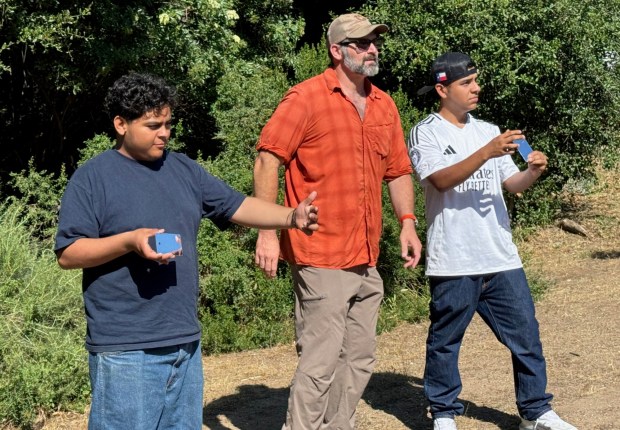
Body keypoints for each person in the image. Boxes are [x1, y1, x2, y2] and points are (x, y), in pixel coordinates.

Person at [54, 72, 319, 430]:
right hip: (125, 350)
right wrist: (129, 242)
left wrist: (291, 216)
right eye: (153, 125)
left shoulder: (184, 169)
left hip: (185, 344)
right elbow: (69, 253)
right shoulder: (93, 177)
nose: (164, 133)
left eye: (167, 123)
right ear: (120, 124)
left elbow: (238, 206)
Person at [253, 13, 423, 430]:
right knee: (321, 361)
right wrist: (268, 231)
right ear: (336, 50)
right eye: (361, 43)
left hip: (365, 254)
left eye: (374, 42)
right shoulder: (305, 99)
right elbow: (266, 159)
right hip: (320, 252)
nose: (372, 49)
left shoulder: (383, 103)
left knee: (361, 358)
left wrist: (407, 222)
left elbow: (398, 169)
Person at [408, 52, 578, 430]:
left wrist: (532, 171)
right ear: (442, 89)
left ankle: (535, 412)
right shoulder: (427, 132)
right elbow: (439, 180)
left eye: (476, 80)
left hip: (500, 255)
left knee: (526, 336)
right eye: (466, 83)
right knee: (445, 341)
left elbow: (511, 185)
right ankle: (444, 412)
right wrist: (486, 151)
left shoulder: (489, 130)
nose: (476, 88)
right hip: (454, 257)